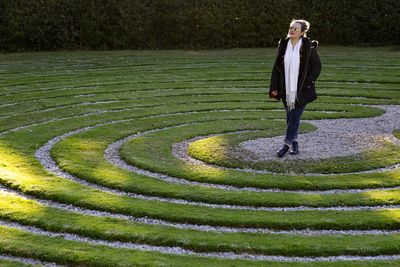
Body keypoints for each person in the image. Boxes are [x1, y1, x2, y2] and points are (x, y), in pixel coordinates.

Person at [269, 19, 322, 157]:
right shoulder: (283, 44)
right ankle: (295, 142)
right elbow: (277, 68)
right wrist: (274, 87)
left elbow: (317, 66)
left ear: (303, 32)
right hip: (285, 88)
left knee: (294, 116)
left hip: (301, 90)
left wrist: (307, 81)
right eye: (291, 27)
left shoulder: (308, 47)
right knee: (289, 116)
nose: (292, 30)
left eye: (296, 29)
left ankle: (286, 144)